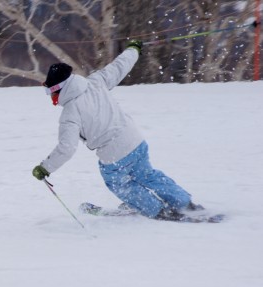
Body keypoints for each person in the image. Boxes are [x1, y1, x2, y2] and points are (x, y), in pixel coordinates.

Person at [32, 40, 203, 220]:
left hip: (113, 154)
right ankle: (184, 202)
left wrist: (45, 168)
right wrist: (133, 49)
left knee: (119, 184)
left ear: (59, 89)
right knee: (147, 174)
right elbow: (120, 66)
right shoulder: (96, 81)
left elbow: (67, 148)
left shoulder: (70, 114)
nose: (52, 98)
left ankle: (154, 209)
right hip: (135, 140)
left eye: (51, 93)